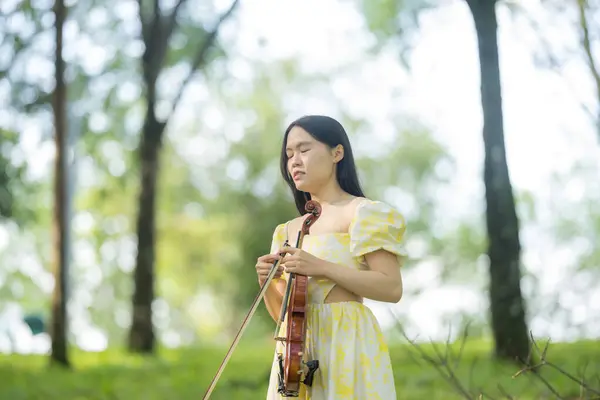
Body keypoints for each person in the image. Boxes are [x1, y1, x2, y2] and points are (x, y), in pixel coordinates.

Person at [255, 115, 407, 399]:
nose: (294, 161)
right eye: (289, 154)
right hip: (295, 356)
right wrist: (268, 281)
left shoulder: (365, 213)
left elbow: (391, 287)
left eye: (304, 149)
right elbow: (284, 318)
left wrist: (321, 267)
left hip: (347, 343)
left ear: (337, 152)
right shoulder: (287, 231)